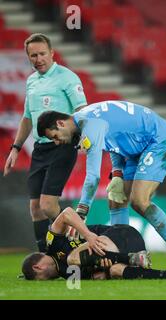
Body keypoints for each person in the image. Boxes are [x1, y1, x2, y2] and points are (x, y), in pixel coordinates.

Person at [36, 100, 166, 269]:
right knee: (116, 199)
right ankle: (123, 255)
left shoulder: (90, 126)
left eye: (54, 136)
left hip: (158, 140)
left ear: (60, 123)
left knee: (139, 201)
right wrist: (117, 174)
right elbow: (114, 142)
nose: (56, 142)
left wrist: (81, 214)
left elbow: (93, 178)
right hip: (137, 148)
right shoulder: (85, 120)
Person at [3, 33, 87, 252]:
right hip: (40, 149)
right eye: (33, 55)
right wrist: (15, 148)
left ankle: (79, 240)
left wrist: (82, 139)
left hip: (62, 146)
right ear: (28, 57)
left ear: (51, 53)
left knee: (48, 205)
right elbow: (27, 118)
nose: (38, 59)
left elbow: (82, 111)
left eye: (41, 54)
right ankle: (46, 258)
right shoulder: (31, 81)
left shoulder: (67, 77)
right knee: (36, 208)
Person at [21, 207, 166, 280]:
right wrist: (103, 269)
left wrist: (88, 235)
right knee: (114, 271)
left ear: (37, 267)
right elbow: (99, 274)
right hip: (127, 252)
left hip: (123, 234)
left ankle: (132, 258)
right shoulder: (68, 275)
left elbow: (66, 213)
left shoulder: (52, 245)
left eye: (38, 279)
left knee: (73, 258)